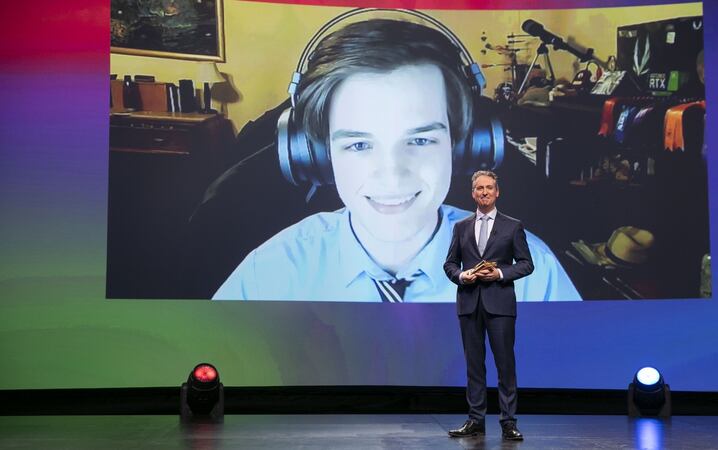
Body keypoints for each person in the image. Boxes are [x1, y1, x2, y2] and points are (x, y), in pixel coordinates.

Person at [213, 18, 581, 303]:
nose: (392, 174)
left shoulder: (529, 273)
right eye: (358, 145)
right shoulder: (270, 276)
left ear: (464, 146)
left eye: (420, 139)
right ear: (317, 156)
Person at [443, 170, 527, 441]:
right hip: (469, 304)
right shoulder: (462, 227)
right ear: (472, 193)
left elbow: (526, 264)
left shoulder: (512, 226)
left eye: (489, 188)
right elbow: (450, 263)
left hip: (500, 305)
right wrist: (461, 275)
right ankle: (475, 420)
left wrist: (501, 274)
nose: (484, 192)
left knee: (505, 365)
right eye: (479, 188)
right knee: (474, 366)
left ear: (497, 192)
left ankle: (508, 422)